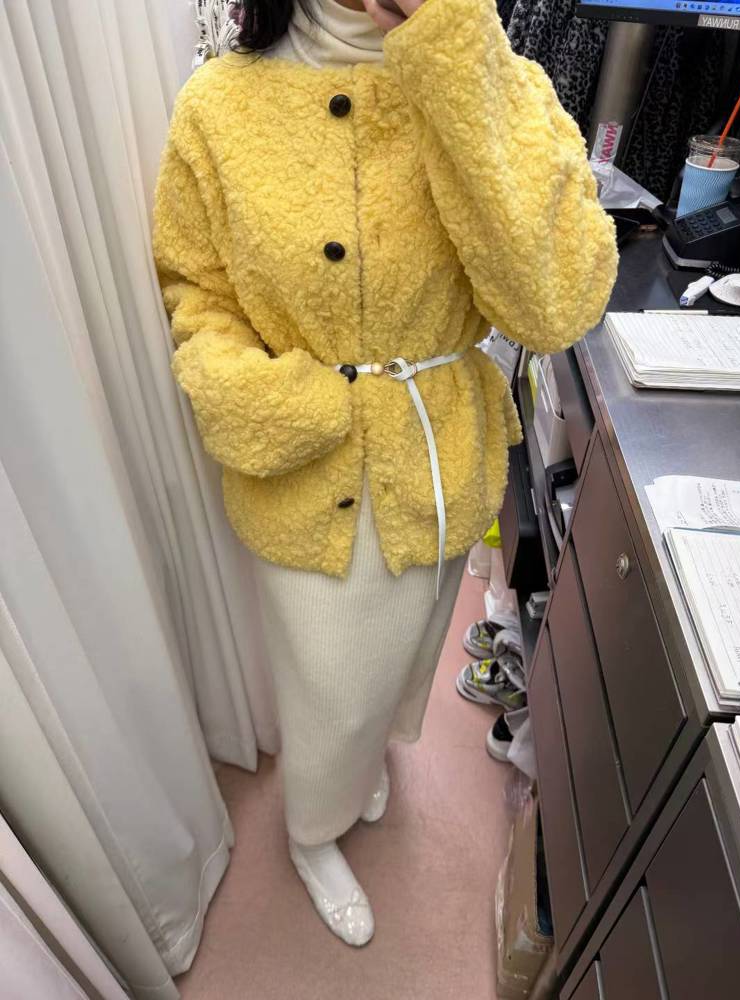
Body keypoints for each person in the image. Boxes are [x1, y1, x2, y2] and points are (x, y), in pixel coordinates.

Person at [150, 0, 618, 947]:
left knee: (403, 655)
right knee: (330, 685)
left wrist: (455, 51)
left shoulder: (494, 81)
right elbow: (197, 291)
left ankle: (359, 764)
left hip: (440, 456)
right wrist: (281, 404)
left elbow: (557, 304)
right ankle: (310, 828)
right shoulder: (219, 103)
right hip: (308, 467)